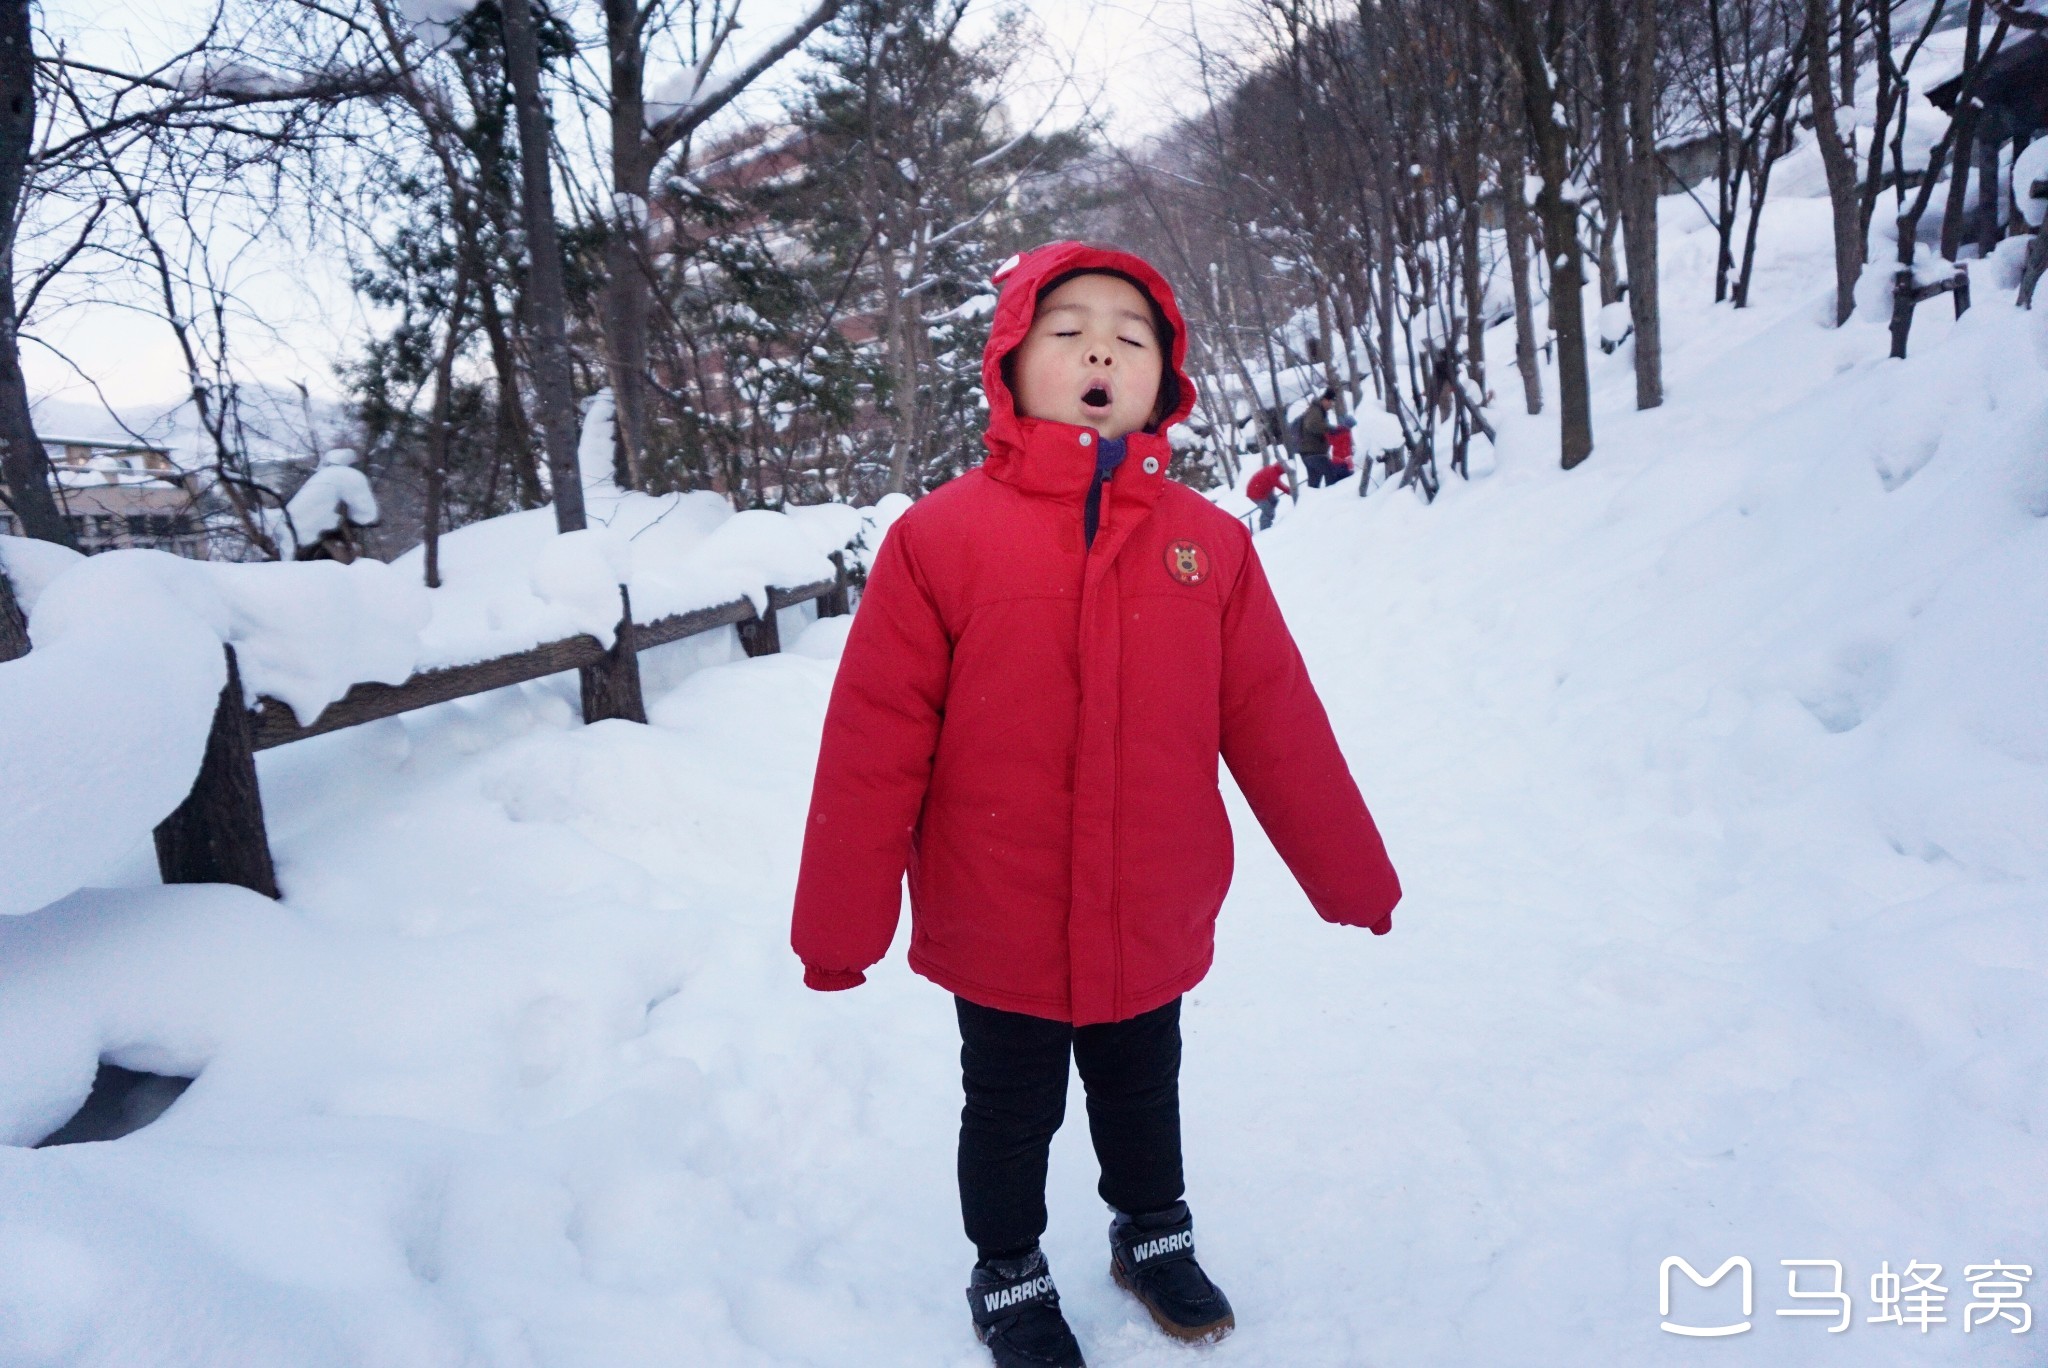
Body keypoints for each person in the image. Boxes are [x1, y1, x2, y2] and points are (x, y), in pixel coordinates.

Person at [790, 241, 1401, 1368]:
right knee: (1009, 1109)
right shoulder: (938, 541)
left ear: (1162, 381)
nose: (1098, 351)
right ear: (1010, 366)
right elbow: (873, 745)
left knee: (1142, 1087)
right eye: (1067, 331)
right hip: (997, 907)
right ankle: (1007, 1267)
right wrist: (840, 926)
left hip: (1147, 901)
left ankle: (1150, 1232)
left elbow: (1276, 722)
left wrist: (1350, 876)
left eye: (1129, 336)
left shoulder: (1206, 547)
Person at [1298, 389, 1336, 486]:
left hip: (1309, 453)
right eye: (1331, 402)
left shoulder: (1317, 410)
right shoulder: (1316, 410)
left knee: (1314, 483)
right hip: (1314, 453)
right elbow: (1311, 425)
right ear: (1325, 400)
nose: (1331, 406)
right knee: (1331, 473)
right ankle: (1334, 498)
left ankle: (1313, 500)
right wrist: (1330, 429)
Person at [1245, 459, 1292, 530]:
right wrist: (1289, 491)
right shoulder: (1272, 472)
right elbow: (1277, 484)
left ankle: (1268, 517)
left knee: (1274, 500)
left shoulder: (1272, 470)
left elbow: (1270, 483)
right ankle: (1265, 528)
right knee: (1268, 510)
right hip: (1255, 494)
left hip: (1263, 491)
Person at [1327, 413, 1357, 484]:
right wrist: (1350, 465)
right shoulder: (1346, 433)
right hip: (1343, 464)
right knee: (1346, 484)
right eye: (1351, 426)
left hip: (1334, 462)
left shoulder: (1335, 431)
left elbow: (1329, 439)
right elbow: (1346, 451)